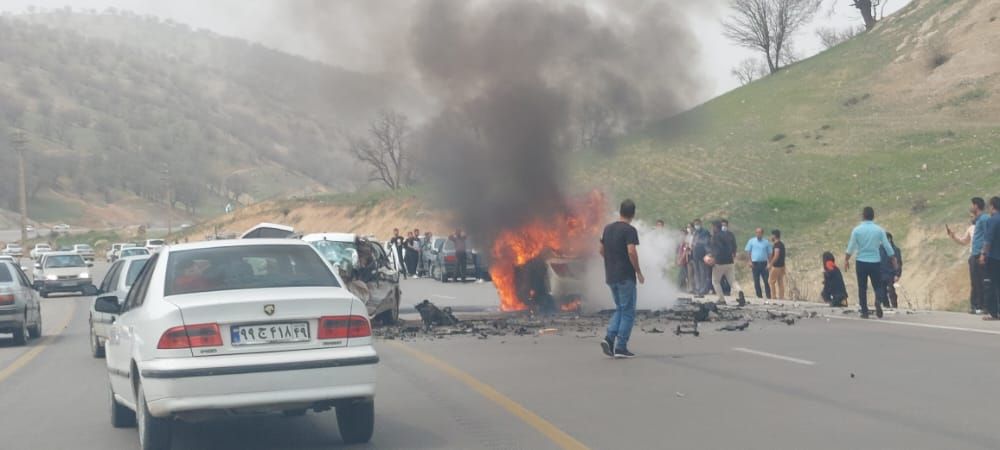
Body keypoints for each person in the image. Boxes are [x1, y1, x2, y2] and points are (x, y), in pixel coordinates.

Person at [600, 199, 643, 359]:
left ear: (620, 211)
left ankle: (609, 338)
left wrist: (612, 262)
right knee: (628, 311)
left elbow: (601, 250)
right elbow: (631, 251)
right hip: (625, 276)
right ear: (633, 213)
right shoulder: (629, 230)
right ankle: (621, 347)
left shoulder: (607, 228)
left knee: (620, 308)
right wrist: (638, 271)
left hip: (611, 275)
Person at [845, 207, 897, 319]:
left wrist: (846, 259)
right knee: (878, 285)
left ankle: (864, 311)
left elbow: (851, 247)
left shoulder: (857, 230)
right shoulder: (879, 230)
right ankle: (878, 300)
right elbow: (887, 246)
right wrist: (893, 258)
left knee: (862, 287)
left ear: (863, 216)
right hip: (875, 262)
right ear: (873, 216)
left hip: (861, 262)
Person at [948, 197, 990, 314]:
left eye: (972, 205)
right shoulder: (973, 226)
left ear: (976, 206)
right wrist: (953, 236)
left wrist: (983, 253)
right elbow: (964, 241)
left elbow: (988, 237)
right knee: (975, 282)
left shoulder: (985, 219)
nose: (970, 208)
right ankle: (976, 306)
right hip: (974, 255)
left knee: (983, 281)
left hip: (981, 255)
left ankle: (984, 306)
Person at [709, 220, 744, 304]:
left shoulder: (715, 236)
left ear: (715, 227)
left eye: (712, 226)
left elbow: (717, 250)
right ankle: (740, 291)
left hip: (719, 263)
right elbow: (734, 246)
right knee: (732, 281)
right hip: (730, 261)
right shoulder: (728, 235)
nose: (711, 228)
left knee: (715, 281)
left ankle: (721, 299)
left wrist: (713, 258)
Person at [978, 196, 1000, 320]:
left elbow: (988, 240)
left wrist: (983, 254)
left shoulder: (993, 220)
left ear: (992, 206)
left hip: (994, 257)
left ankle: (993, 312)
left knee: (991, 284)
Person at [745, 227, 773, 300]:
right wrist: (749, 261)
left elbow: (769, 253)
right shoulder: (751, 241)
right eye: (757, 232)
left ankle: (768, 296)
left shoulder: (766, 242)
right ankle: (759, 296)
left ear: (762, 233)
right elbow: (748, 252)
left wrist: (769, 263)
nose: (758, 234)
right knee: (756, 281)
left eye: (760, 232)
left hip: (764, 263)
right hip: (755, 263)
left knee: (766, 281)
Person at [877, 232, 902, 309]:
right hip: (881, 273)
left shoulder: (895, 250)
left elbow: (898, 263)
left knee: (891, 291)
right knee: (882, 292)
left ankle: (894, 306)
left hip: (891, 274)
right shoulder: (879, 249)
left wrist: (897, 274)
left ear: (889, 239)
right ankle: (886, 306)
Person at [691, 219, 711, 296]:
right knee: (697, 273)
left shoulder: (705, 232)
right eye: (695, 224)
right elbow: (693, 242)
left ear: (701, 223)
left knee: (703, 273)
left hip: (703, 255)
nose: (696, 225)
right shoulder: (695, 232)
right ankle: (698, 288)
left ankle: (704, 289)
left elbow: (707, 243)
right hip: (695, 255)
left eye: (698, 224)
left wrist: (707, 253)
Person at [768, 229, 786, 300]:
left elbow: (776, 256)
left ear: (774, 236)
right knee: (780, 282)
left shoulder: (777, 245)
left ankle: (773, 297)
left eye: (772, 235)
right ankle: (781, 297)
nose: (771, 237)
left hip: (776, 267)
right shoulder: (781, 244)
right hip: (782, 266)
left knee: (771, 281)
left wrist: (770, 264)